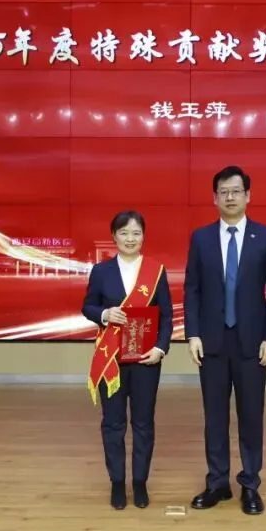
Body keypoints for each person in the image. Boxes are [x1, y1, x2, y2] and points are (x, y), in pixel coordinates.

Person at [183, 165, 266, 515]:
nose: (230, 197)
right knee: (214, 416)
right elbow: (192, 289)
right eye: (223, 191)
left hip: (252, 343)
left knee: (251, 416)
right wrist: (193, 333)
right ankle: (217, 483)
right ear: (214, 198)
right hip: (212, 341)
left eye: (236, 191)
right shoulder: (201, 238)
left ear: (248, 196)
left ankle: (250, 484)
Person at [81, 210, 173, 510]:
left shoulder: (156, 271)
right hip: (112, 360)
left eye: (136, 233)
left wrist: (160, 348)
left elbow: (167, 317)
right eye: (124, 233)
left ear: (143, 236)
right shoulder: (101, 271)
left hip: (147, 360)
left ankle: (140, 482)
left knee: (144, 423)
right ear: (114, 236)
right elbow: (88, 307)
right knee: (113, 423)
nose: (130, 239)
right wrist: (105, 314)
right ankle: (118, 483)